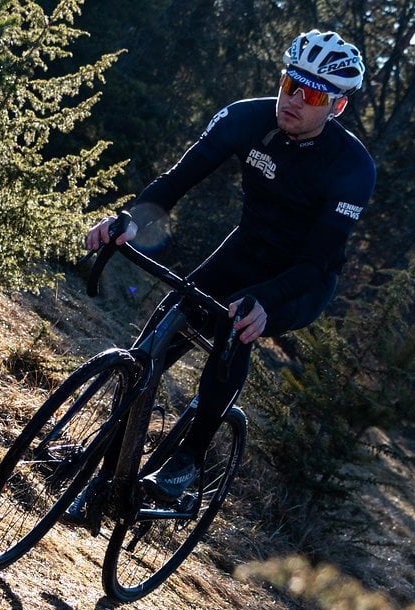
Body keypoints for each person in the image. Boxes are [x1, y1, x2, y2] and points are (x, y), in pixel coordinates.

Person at [86, 29, 376, 502]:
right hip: (245, 248)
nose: (294, 101)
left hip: (300, 282)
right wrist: (129, 221)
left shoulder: (352, 168)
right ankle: (104, 469)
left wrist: (266, 299)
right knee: (154, 343)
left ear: (336, 107)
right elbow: (177, 180)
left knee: (236, 325)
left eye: (312, 95)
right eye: (289, 85)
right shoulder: (245, 117)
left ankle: (189, 460)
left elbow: (317, 259)